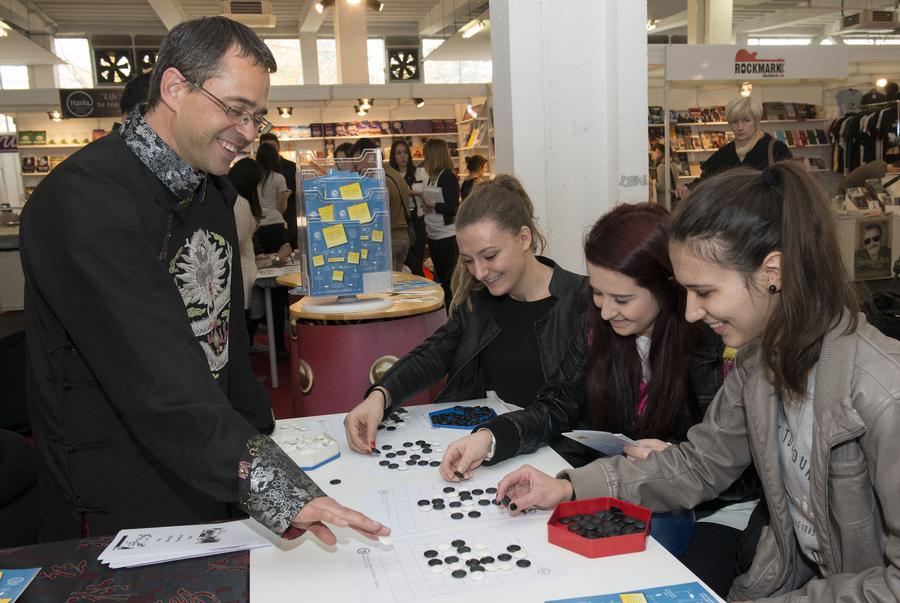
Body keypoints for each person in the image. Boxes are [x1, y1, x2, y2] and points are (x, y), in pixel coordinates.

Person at [20, 16, 387, 545]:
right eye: (235, 109)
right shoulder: (85, 202)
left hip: (209, 472)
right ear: (173, 87)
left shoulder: (209, 192)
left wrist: (265, 447)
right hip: (119, 501)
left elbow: (227, 347)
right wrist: (276, 487)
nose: (246, 131)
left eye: (256, 117)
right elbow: (154, 374)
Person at [495, 161, 900, 603]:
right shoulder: (759, 363)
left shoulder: (883, 393)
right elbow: (698, 464)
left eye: (705, 293)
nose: (690, 312)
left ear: (773, 272)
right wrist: (570, 486)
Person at [343, 175, 588, 454]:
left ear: (523, 237)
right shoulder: (478, 302)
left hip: (556, 458)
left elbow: (570, 408)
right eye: (469, 261)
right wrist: (381, 395)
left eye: (490, 256)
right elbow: (433, 353)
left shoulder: (584, 301)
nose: (480, 272)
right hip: (493, 448)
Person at [675, 96, 792, 200]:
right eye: (735, 122)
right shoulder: (725, 153)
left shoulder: (776, 149)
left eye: (746, 121)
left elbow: (791, 184)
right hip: (733, 220)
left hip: (767, 219)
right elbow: (707, 179)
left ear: (756, 121)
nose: (740, 127)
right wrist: (689, 188)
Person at [254, 142, 291, 357]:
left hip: (258, 227)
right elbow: (282, 208)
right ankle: (281, 344)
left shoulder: (255, 179)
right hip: (277, 227)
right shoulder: (279, 178)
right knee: (279, 284)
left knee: (264, 282)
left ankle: (268, 336)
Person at [354, 138, 409, 271]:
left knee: (385, 285)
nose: (359, 168)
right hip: (402, 237)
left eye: (360, 162)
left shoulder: (378, 180)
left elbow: (372, 216)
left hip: (389, 239)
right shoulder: (395, 174)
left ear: (371, 156)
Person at [421, 138, 460, 304]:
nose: (425, 160)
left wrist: (434, 204)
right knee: (442, 280)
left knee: (450, 281)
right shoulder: (432, 177)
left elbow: (453, 206)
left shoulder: (448, 177)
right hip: (434, 234)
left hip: (447, 236)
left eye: (427, 156)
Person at [227, 157, 263, 331]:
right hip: (242, 271)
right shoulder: (240, 202)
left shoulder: (229, 198)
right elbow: (239, 238)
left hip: (239, 270)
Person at [391, 139, 426, 276]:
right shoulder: (391, 176)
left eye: (405, 152)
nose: (402, 156)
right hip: (399, 224)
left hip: (416, 222)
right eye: (398, 153)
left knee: (416, 264)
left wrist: (416, 193)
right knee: (402, 266)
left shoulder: (419, 172)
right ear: (393, 156)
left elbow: (427, 197)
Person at [258, 132, 298, 250]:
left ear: (278, 147)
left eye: (272, 147)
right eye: (266, 147)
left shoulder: (291, 167)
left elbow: (296, 190)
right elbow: (281, 206)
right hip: (270, 223)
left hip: (288, 220)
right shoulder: (254, 172)